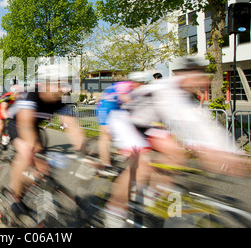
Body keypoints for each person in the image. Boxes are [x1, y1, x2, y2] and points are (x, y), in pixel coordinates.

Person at [104, 57, 247, 227]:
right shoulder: (169, 91)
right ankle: (114, 209)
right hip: (125, 121)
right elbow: (190, 124)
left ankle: (151, 192)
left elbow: (204, 125)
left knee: (176, 154)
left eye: (202, 77)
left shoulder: (184, 93)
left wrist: (231, 152)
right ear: (184, 76)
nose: (200, 81)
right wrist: (216, 153)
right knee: (140, 166)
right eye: (196, 77)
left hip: (146, 124)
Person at [6, 63, 85, 213]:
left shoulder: (61, 98)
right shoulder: (32, 94)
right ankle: (14, 196)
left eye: (65, 83)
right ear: (47, 84)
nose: (64, 88)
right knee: (27, 155)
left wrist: (86, 150)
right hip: (18, 124)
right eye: (60, 83)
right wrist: (36, 154)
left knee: (42, 168)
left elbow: (72, 125)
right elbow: (25, 125)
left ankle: (31, 182)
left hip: (34, 126)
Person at [94, 72, 151, 171]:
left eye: (142, 83)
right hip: (105, 106)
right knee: (106, 134)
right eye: (138, 82)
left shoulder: (138, 88)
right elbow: (126, 99)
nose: (140, 85)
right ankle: (105, 163)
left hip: (118, 107)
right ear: (133, 82)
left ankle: (123, 149)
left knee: (127, 128)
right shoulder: (124, 86)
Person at [0, 85, 23, 157]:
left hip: (10, 109)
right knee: (1, 126)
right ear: (13, 93)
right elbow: (3, 110)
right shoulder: (8, 97)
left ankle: (7, 137)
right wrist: (7, 118)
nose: (19, 95)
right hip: (0, 108)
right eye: (18, 94)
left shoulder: (19, 97)